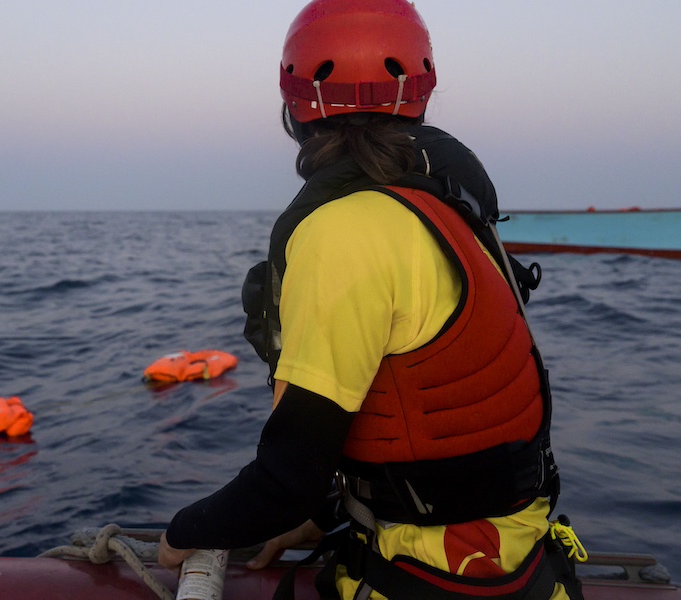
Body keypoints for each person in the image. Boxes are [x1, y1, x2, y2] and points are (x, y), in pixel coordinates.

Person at [158, 1, 584, 598]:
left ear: (294, 106)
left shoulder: (342, 232)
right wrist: (336, 511)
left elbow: (287, 479)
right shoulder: (448, 207)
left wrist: (183, 534)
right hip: (519, 561)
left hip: (425, 575)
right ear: (420, 93)